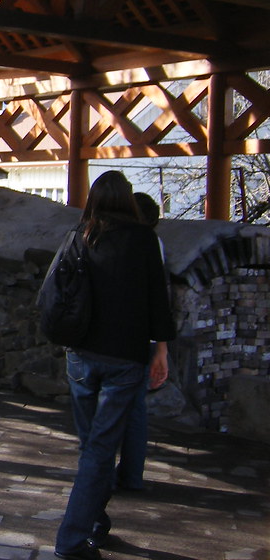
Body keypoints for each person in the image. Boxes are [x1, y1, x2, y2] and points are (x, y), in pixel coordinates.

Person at [54, 172, 176, 560]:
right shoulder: (143, 239)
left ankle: (94, 523)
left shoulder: (80, 235)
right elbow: (158, 299)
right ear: (127, 199)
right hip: (125, 358)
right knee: (99, 449)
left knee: (92, 447)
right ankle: (71, 540)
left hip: (80, 354)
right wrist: (161, 349)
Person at [114, 192, 164, 492]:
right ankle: (131, 473)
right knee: (135, 409)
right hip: (143, 335)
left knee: (117, 411)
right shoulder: (155, 245)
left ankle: (117, 475)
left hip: (122, 336)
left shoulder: (129, 243)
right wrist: (161, 346)